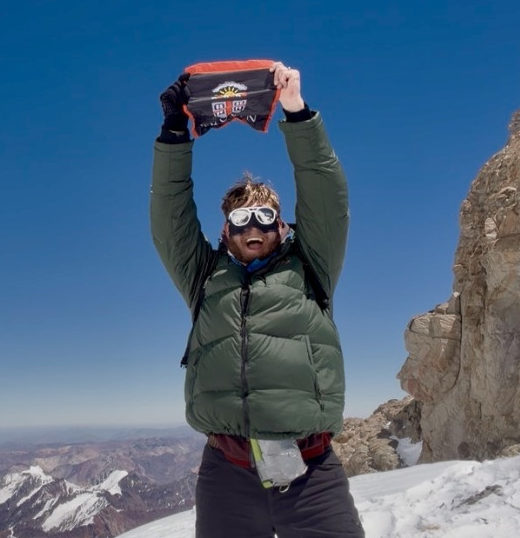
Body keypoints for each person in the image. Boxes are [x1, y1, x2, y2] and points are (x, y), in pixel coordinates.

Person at [149, 62, 364, 538]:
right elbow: (170, 217)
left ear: (281, 226)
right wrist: (174, 133)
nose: (254, 227)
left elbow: (326, 196)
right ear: (226, 231)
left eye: (265, 216)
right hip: (226, 472)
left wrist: (297, 113)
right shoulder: (205, 276)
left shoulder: (311, 265)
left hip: (311, 471)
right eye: (241, 219)